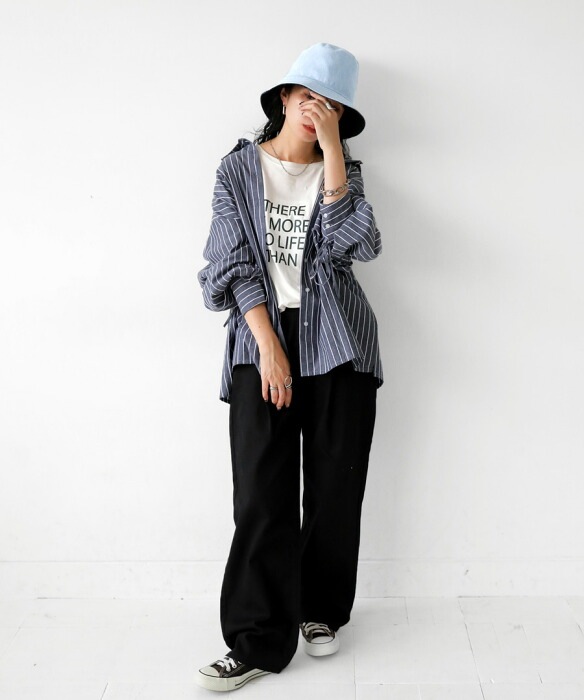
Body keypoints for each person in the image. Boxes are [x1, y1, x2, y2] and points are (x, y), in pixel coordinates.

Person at [196, 42, 384, 692]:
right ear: (284, 97)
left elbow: (355, 245)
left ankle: (320, 609)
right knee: (261, 493)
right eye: (308, 98)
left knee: (335, 488)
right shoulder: (237, 170)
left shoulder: (344, 174)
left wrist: (333, 154)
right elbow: (229, 264)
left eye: (331, 107)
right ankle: (255, 641)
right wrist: (269, 346)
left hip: (339, 342)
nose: (316, 111)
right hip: (262, 339)